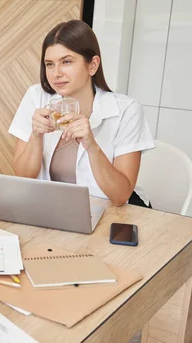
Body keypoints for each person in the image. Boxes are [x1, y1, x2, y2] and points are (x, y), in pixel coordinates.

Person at [10, 20, 155, 207]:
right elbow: (23, 176)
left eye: (67, 62)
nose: (56, 73)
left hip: (113, 212)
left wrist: (92, 146)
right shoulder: (36, 97)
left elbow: (120, 196)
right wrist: (36, 136)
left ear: (92, 65)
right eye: (49, 64)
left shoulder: (127, 110)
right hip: (57, 209)